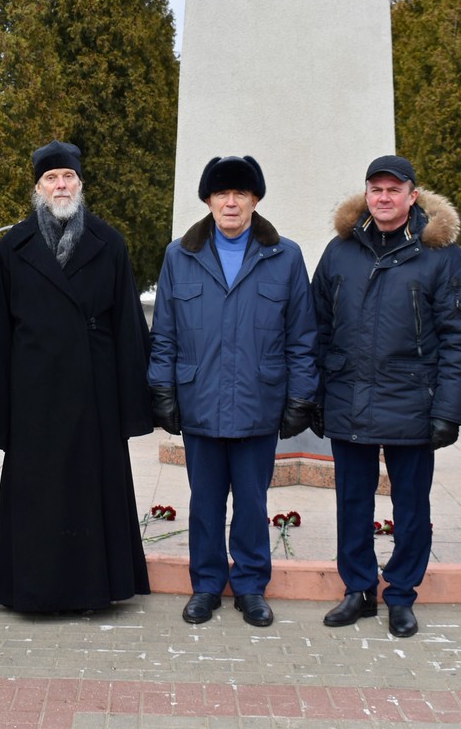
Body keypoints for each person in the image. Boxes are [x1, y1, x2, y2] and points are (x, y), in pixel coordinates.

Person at [0, 140, 153, 613]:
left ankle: (94, 590)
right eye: (51, 178)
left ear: (81, 184)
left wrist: (133, 406)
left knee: (93, 490)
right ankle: (33, 591)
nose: (61, 185)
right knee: (38, 496)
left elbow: (129, 326)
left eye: (68, 177)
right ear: (38, 188)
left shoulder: (109, 242)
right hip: (34, 396)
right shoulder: (15, 246)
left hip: (94, 392)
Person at [311, 155, 461, 638]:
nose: (384, 197)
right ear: (366, 195)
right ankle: (359, 589)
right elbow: (318, 327)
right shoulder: (339, 251)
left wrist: (449, 409)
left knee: (411, 508)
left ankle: (402, 593)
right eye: (376, 189)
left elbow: (460, 334)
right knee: (352, 503)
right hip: (349, 400)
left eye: (393, 189)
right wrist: (318, 396)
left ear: (413, 195)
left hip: (413, 403)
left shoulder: (440, 254)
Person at [148, 156, 319, 627]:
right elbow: (164, 333)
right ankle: (205, 586)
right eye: (221, 193)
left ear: (254, 200)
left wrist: (300, 396)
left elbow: (302, 336)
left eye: (240, 193)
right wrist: (162, 388)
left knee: (252, 502)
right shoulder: (179, 255)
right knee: (204, 502)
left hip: (257, 402)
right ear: (208, 200)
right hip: (199, 399)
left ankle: (249, 586)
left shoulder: (284, 256)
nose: (230, 201)